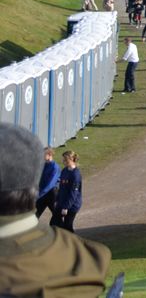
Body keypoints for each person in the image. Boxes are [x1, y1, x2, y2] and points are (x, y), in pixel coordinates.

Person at [0, 124, 111, 297]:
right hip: (55, 206)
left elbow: (70, 190)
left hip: (66, 204)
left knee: (63, 223)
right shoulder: (90, 259)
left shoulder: (69, 173)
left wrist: (65, 206)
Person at [51, 151, 83, 232]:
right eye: (63, 159)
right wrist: (57, 200)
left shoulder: (75, 174)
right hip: (62, 202)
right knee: (54, 222)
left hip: (72, 205)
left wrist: (66, 207)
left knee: (67, 227)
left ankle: (74, 243)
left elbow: (73, 193)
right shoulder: (65, 170)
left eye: (65, 160)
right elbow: (61, 188)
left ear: (71, 159)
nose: (63, 161)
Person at [35, 147, 60, 219]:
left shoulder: (55, 167)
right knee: (35, 214)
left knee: (56, 215)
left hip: (52, 194)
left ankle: (64, 228)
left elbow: (50, 184)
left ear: (49, 155)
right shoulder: (43, 165)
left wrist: (39, 194)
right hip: (43, 193)